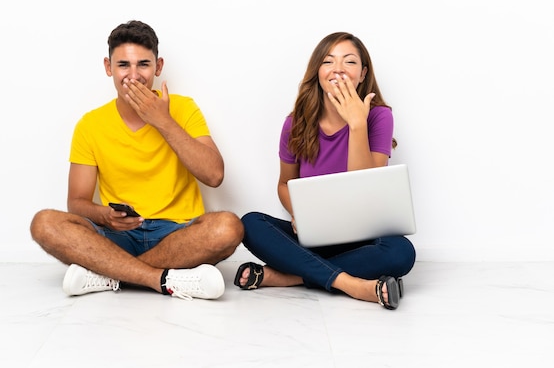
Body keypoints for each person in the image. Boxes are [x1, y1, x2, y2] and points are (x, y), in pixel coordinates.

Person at [30, 20, 244, 300]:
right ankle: (162, 279)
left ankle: (110, 275)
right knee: (43, 223)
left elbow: (214, 175)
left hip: (177, 234)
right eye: (123, 65)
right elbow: (77, 203)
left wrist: (163, 121)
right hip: (117, 236)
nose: (134, 76)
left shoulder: (184, 108)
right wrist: (105, 215)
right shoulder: (90, 124)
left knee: (229, 227)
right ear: (108, 68)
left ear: (158, 66)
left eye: (143, 64)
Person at [234, 32, 416, 310]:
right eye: (329, 61)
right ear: (317, 71)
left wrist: (357, 124)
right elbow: (285, 183)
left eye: (350, 62)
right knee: (250, 223)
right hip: (314, 236)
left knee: (401, 252)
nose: (339, 69)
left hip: (363, 239)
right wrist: (300, 214)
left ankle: (288, 277)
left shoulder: (379, 116)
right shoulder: (295, 123)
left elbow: (368, 187)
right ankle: (353, 284)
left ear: (362, 73)